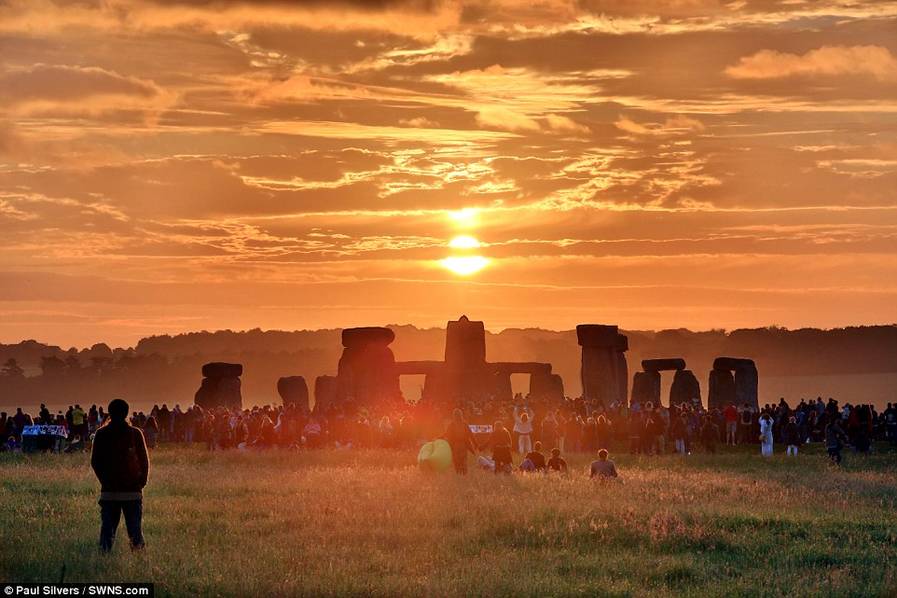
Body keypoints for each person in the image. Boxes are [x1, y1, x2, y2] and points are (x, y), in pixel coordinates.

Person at [90, 398, 149, 552]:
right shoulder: (135, 433)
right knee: (135, 531)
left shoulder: (101, 434)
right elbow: (144, 461)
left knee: (107, 532)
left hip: (109, 492)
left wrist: (105, 481)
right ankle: (139, 559)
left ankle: (103, 558)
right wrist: (141, 482)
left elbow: (95, 462)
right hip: (132, 492)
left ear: (109, 412)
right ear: (126, 413)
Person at [443, 409, 477, 475]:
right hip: (463, 445)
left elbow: (446, 434)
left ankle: (459, 474)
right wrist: (475, 444)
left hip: (455, 445)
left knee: (457, 461)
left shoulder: (452, 424)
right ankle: (464, 474)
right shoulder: (464, 424)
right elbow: (471, 435)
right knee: (463, 460)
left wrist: (440, 437)